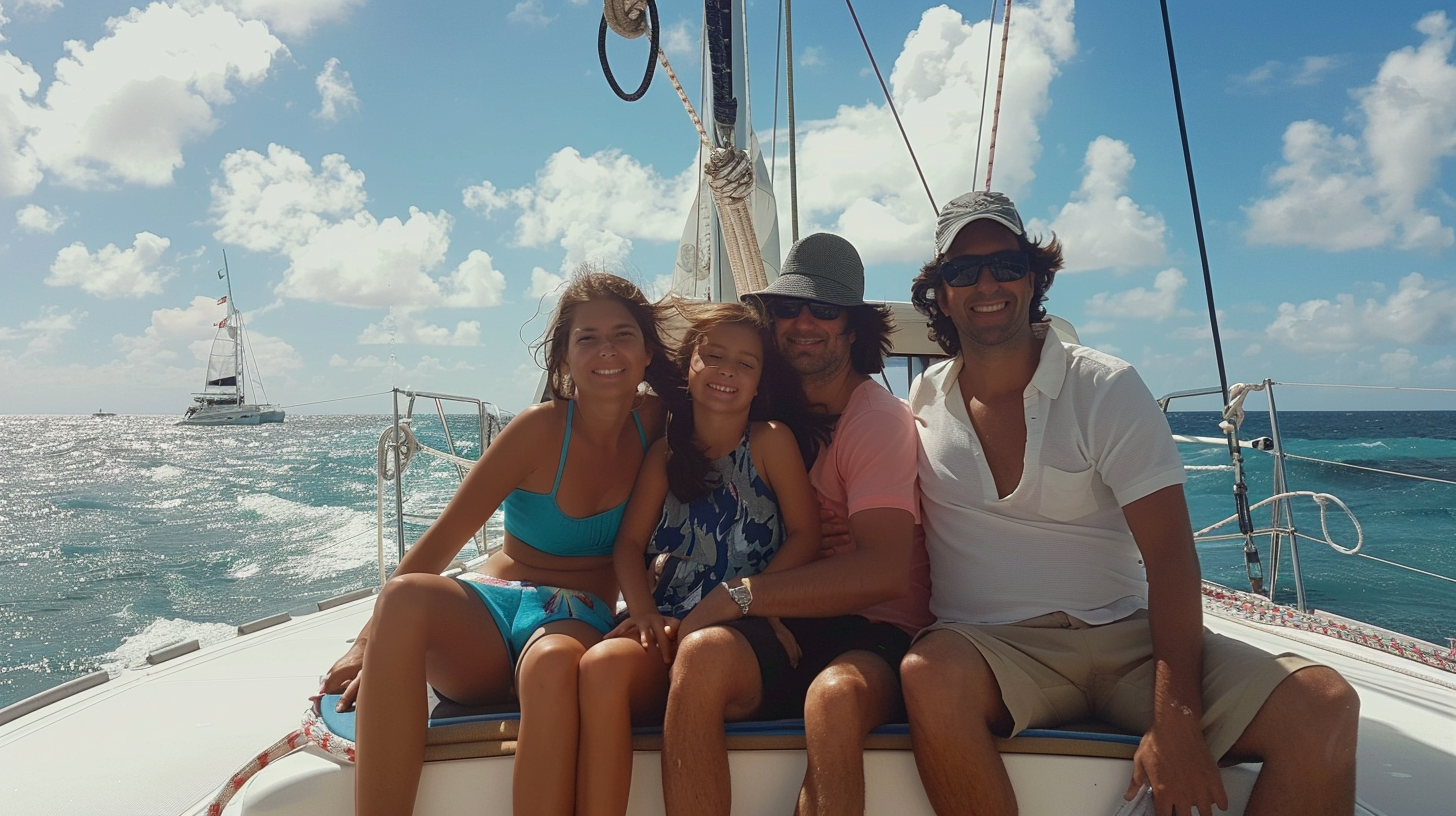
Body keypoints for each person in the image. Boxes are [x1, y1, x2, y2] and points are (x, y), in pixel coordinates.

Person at [901, 190, 1361, 816]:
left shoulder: (1105, 387)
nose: (987, 283)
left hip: (1126, 642)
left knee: (1324, 706)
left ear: (1034, 278)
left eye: (1006, 265)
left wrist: (1175, 718)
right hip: (990, 650)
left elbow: (1171, 558)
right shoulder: (922, 402)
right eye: (962, 271)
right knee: (927, 672)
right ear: (942, 293)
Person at [319, 271, 681, 816]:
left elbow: (731, 379)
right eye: (587, 338)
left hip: (574, 615)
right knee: (404, 597)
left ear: (648, 352)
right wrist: (368, 646)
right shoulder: (537, 430)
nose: (606, 351)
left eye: (622, 335)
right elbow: (439, 544)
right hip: (491, 606)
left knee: (555, 661)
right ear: (564, 358)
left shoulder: (657, 423)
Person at [660, 233, 932, 816]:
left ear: (852, 329)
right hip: (790, 617)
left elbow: (883, 572)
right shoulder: (765, 413)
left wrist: (742, 596)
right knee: (700, 658)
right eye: (788, 307)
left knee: (833, 701)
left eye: (825, 309)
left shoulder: (876, 421)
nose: (804, 322)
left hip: (874, 630)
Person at [575, 301, 827, 816]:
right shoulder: (666, 453)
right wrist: (643, 612)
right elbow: (628, 544)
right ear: (688, 366)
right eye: (712, 356)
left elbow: (806, 535)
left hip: (747, 626)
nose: (727, 371)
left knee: (703, 654)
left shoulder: (770, 442)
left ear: (759, 385)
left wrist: (767, 602)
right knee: (600, 667)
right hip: (669, 623)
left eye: (745, 363)